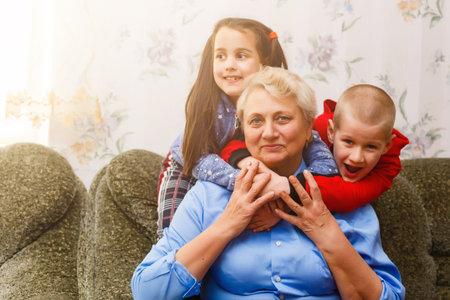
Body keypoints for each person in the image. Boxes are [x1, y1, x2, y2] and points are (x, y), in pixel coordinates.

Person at [131, 67, 405, 299]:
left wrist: (327, 232)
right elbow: (147, 290)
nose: (270, 133)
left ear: (310, 127)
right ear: (243, 129)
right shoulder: (208, 195)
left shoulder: (342, 195)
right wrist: (228, 223)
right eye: (256, 121)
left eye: (283, 118)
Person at [157, 17, 337, 237]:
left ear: (265, 61)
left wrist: (302, 187)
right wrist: (250, 182)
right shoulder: (210, 109)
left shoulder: (283, 101)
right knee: (174, 232)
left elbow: (322, 160)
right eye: (220, 56)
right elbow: (196, 157)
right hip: (187, 167)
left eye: (241, 56)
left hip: (238, 170)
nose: (229, 65)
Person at [220, 84, 409, 232]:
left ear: (387, 145)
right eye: (348, 142)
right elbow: (234, 145)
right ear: (331, 132)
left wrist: (283, 195)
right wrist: (246, 161)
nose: (356, 157)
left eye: (370, 147)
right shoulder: (316, 128)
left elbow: (345, 196)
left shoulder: (387, 169)